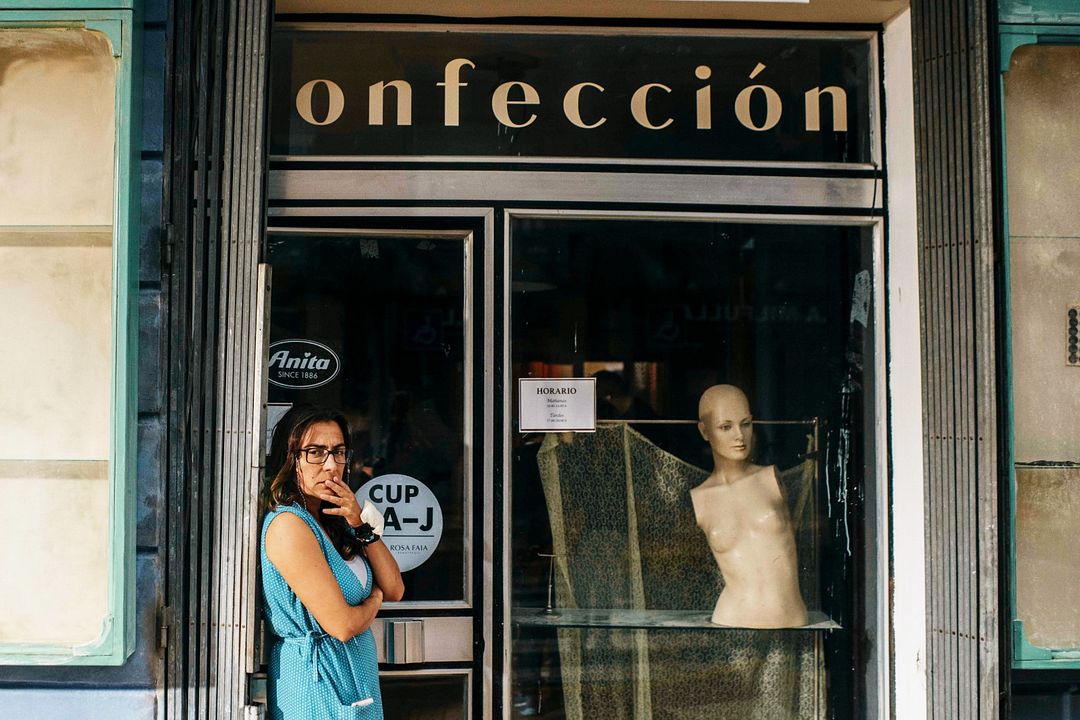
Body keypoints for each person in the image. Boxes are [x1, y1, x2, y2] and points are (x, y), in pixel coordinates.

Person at [260, 405, 405, 719]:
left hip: (353, 678)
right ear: (290, 457)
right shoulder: (289, 525)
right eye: (315, 452)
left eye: (338, 452)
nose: (330, 465)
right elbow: (342, 625)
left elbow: (394, 588)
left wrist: (359, 524)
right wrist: (374, 598)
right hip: (316, 682)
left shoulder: (334, 521)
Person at [690, 385, 807, 628]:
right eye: (725, 427)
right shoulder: (700, 498)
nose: (739, 436)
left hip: (792, 621)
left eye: (746, 423)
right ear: (704, 431)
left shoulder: (769, 479)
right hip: (732, 622)